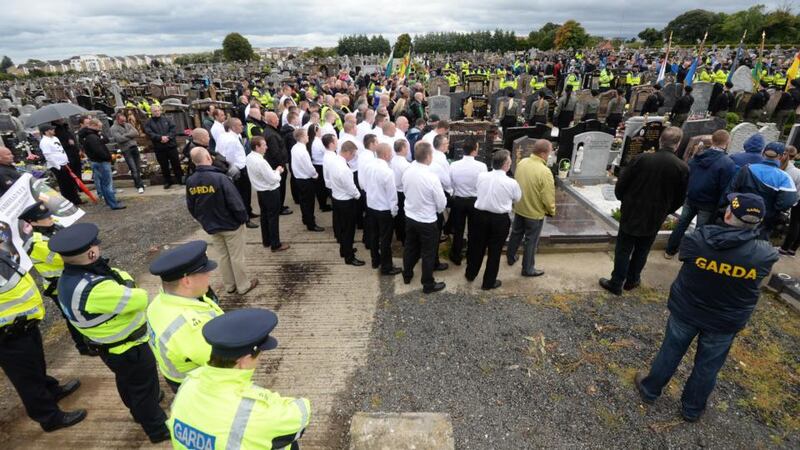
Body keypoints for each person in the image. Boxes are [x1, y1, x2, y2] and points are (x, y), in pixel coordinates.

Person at [635, 193, 779, 423]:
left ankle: (650, 389)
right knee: (708, 365)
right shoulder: (765, 254)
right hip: (725, 319)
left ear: (729, 213)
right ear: (759, 222)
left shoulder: (698, 239)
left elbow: (686, 256)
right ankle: (691, 409)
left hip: (688, 309)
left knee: (670, 351)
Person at [49, 223, 170, 443]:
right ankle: (157, 429)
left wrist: (121, 280)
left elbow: (121, 280)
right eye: (95, 244)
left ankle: (137, 410)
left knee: (126, 381)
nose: (98, 245)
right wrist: (126, 281)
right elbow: (140, 297)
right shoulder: (96, 287)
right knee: (144, 388)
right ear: (91, 253)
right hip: (129, 348)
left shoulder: (69, 278)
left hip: (111, 349)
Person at [168, 308, 310, 449]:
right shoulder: (251, 410)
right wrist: (271, 400)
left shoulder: (189, 383)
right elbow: (300, 414)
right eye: (260, 355)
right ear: (245, 360)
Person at [0, 246, 85, 432]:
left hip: (24, 325)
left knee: (36, 364)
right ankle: (49, 417)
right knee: (26, 378)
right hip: (7, 334)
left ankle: (51, 390)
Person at [600, 127, 689, 296]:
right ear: (677, 145)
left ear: (660, 141)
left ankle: (616, 282)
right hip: (655, 215)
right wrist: (666, 210)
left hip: (632, 211)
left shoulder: (641, 159)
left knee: (624, 249)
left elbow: (621, 184)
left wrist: (624, 200)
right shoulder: (682, 168)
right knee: (642, 249)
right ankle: (632, 280)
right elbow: (680, 198)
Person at [147, 241, 224, 393]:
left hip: (178, 376)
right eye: (204, 272)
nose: (209, 275)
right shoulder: (191, 328)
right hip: (200, 387)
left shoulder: (159, 302)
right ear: (187, 281)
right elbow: (225, 363)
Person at [186, 147, 259, 296]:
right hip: (231, 225)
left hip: (212, 226)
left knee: (223, 256)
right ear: (208, 157)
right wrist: (243, 218)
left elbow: (191, 206)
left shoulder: (191, 181)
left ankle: (230, 285)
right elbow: (235, 203)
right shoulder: (220, 178)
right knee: (236, 256)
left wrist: (204, 221)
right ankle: (243, 285)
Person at [19, 202, 90, 355]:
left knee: (85, 310)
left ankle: (89, 339)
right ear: (32, 222)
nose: (50, 218)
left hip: (73, 277)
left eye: (49, 214)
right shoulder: (35, 242)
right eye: (44, 217)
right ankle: (83, 346)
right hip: (58, 285)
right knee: (73, 316)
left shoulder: (53, 225)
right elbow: (64, 257)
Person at [665, 130, 736, 258]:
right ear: (727, 143)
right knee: (700, 230)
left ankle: (670, 250)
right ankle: (692, 255)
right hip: (708, 202)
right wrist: (720, 206)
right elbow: (725, 187)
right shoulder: (727, 163)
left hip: (691, 196)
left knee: (682, 224)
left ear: (713, 140)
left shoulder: (698, 156)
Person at [465, 150, 521, 290]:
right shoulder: (511, 183)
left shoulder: (482, 176)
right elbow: (517, 198)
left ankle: (470, 273)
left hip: (479, 216)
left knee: (476, 248)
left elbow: (477, 189)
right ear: (506, 164)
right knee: (494, 252)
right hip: (499, 219)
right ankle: (488, 282)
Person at [725, 142, 798, 237]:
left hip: (740, 213)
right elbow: (787, 202)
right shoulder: (784, 178)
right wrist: (772, 210)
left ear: (763, 153)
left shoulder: (746, 169)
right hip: (764, 220)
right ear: (780, 156)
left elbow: (730, 190)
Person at [402, 142, 447, 293]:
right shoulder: (431, 177)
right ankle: (428, 283)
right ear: (428, 156)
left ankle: (407, 274)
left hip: (410, 216)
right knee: (428, 252)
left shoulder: (407, 171)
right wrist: (437, 210)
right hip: (427, 220)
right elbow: (441, 203)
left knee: (410, 247)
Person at [506, 140, 555, 277]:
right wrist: (551, 211)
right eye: (549, 152)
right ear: (543, 153)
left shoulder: (522, 162)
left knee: (516, 233)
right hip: (534, 212)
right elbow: (547, 197)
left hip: (520, 207)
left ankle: (510, 257)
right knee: (531, 241)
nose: (549, 155)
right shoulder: (545, 172)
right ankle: (528, 269)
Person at [447, 138, 487, 265]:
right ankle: (471, 254)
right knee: (473, 230)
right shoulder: (481, 166)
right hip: (474, 201)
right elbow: (483, 185)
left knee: (458, 230)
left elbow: (451, 184)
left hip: (459, 200)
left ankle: (456, 255)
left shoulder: (453, 165)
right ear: (475, 151)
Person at [363, 143, 400, 274]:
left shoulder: (369, 166)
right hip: (384, 209)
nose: (392, 154)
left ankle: (375, 260)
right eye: (390, 152)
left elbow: (365, 184)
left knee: (374, 235)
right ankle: (387, 267)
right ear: (385, 155)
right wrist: (394, 210)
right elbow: (392, 195)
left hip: (371, 206)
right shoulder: (388, 172)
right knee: (385, 239)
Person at [247, 136, 289, 251]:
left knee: (265, 216)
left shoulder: (249, 157)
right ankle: (275, 244)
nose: (267, 147)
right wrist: (278, 171)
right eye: (264, 145)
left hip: (261, 191)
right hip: (270, 191)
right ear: (257, 147)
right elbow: (272, 179)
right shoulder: (261, 162)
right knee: (273, 218)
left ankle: (267, 240)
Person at [215, 118, 258, 228]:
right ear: (233, 127)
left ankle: (249, 211)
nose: (242, 127)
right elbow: (229, 157)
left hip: (240, 167)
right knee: (243, 194)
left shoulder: (232, 136)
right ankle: (245, 218)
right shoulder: (231, 140)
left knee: (246, 193)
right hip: (237, 169)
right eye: (239, 125)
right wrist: (235, 170)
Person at [330, 141, 363, 266]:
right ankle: (349, 257)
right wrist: (358, 196)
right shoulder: (343, 168)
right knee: (349, 230)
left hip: (337, 198)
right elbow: (350, 187)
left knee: (342, 228)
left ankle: (344, 249)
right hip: (346, 202)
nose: (353, 156)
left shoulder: (335, 161)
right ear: (348, 152)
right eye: (353, 154)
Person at [80, 118, 125, 210]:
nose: (100, 129)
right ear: (93, 126)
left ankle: (110, 201)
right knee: (107, 184)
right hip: (101, 162)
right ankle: (113, 204)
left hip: (96, 161)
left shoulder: (89, 135)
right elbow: (98, 151)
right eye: (99, 127)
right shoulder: (92, 137)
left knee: (104, 184)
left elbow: (105, 140)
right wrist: (108, 158)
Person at [38, 124, 82, 205]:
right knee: (64, 184)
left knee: (70, 182)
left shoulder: (55, 138)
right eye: (51, 129)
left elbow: (60, 150)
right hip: (57, 166)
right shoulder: (44, 142)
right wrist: (57, 166)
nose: (53, 130)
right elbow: (48, 156)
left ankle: (75, 199)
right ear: (46, 132)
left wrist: (66, 161)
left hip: (65, 163)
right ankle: (68, 201)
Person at [291, 128, 324, 232]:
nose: (308, 136)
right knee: (309, 203)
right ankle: (311, 224)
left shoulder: (295, 147)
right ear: (301, 137)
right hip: (305, 179)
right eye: (306, 135)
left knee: (303, 201)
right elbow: (308, 167)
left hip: (299, 178)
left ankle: (305, 219)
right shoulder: (302, 151)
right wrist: (315, 174)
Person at [144, 105, 184, 189]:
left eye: (158, 110)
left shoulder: (167, 119)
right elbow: (149, 133)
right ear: (151, 112)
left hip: (171, 146)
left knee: (176, 163)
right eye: (155, 111)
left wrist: (168, 137)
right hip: (159, 147)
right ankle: (168, 181)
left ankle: (180, 179)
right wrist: (160, 138)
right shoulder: (148, 122)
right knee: (164, 165)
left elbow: (173, 129)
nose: (157, 112)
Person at [263, 112, 292, 216]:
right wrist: (282, 165)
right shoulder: (271, 134)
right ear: (271, 121)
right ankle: (279, 208)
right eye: (276, 118)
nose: (278, 120)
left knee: (281, 187)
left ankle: (280, 205)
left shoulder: (271, 131)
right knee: (280, 187)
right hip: (277, 165)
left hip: (276, 164)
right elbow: (275, 152)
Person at [109, 113, 145, 193]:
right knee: (133, 168)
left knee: (138, 167)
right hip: (126, 149)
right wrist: (130, 135)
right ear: (117, 120)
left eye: (124, 120)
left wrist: (125, 135)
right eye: (122, 121)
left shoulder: (127, 124)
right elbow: (119, 139)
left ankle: (137, 183)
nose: (124, 122)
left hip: (134, 147)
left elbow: (136, 133)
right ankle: (140, 186)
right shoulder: (113, 128)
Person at [779, 145, 800, 256]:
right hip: (795, 199)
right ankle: (792, 249)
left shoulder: (784, 168)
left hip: (790, 201)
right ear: (795, 155)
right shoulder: (796, 171)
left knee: (795, 224)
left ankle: (785, 248)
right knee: (796, 224)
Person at [391, 139, 411, 244]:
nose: (408, 149)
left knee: (398, 215)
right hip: (402, 192)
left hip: (394, 191)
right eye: (406, 147)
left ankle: (399, 235)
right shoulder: (405, 165)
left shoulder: (392, 161)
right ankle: (404, 238)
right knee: (403, 216)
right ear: (403, 148)